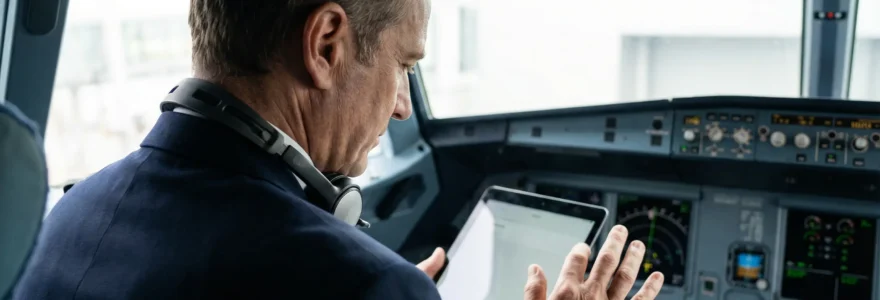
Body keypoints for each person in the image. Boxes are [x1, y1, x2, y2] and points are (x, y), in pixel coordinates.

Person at [13, 0, 665, 299]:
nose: (404, 103)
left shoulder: (63, 219)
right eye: (403, 66)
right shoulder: (358, 283)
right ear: (326, 44)